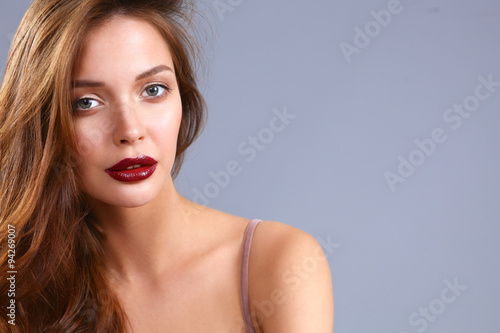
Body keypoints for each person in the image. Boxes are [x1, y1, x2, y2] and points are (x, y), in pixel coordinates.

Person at [0, 0, 334, 331]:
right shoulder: (18, 285)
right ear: (41, 123)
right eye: (86, 103)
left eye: (153, 90)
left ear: (183, 100)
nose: (130, 131)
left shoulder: (278, 265)